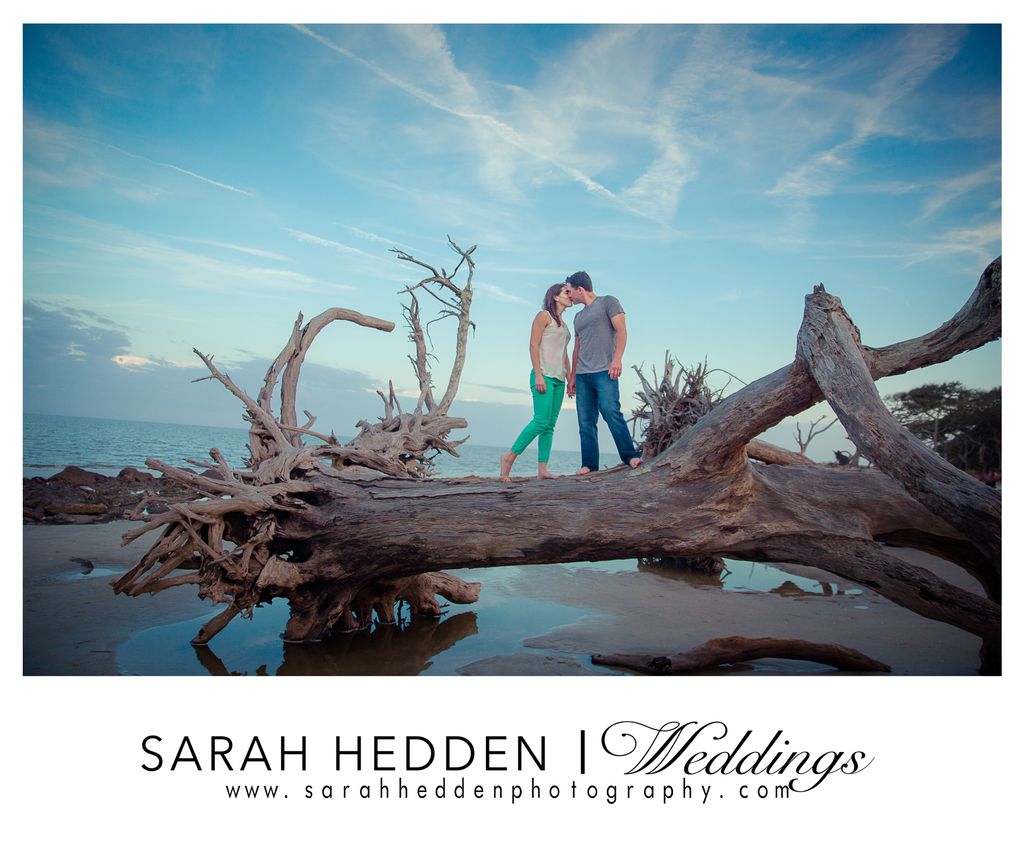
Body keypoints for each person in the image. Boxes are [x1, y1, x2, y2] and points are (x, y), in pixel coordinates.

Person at [564, 270, 642, 474]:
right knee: (585, 421)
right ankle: (589, 465)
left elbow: (622, 331)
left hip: (604, 371)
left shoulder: (609, 302)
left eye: (570, 291)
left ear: (580, 289)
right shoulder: (578, 317)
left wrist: (617, 359)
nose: (569, 295)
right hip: (582, 375)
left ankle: (631, 456)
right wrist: (572, 376)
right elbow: (576, 348)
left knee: (610, 411)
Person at [499, 283, 573, 481]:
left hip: (559, 379)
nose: (570, 294)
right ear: (556, 297)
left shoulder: (565, 326)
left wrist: (570, 377)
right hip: (544, 376)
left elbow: (564, 353)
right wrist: (539, 374)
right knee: (540, 421)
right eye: (567, 292)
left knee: (549, 425)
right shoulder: (543, 316)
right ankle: (508, 457)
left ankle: (542, 469)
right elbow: (533, 345)